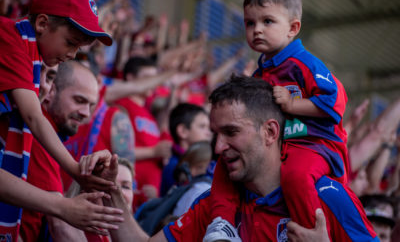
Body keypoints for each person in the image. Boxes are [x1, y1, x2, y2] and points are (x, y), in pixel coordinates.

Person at [98, 75, 377, 242]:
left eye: (231, 132)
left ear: (270, 132)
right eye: (215, 134)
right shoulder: (216, 207)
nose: (218, 147)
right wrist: (112, 192)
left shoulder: (328, 198)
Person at [207, 0, 349, 238]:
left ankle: (306, 233)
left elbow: (336, 103)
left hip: (316, 144)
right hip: (282, 145)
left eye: (267, 22)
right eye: (250, 23)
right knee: (222, 165)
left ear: (293, 28)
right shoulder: (261, 72)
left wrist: (293, 104)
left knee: (295, 176)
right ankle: (221, 226)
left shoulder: (305, 64)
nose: (256, 30)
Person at [0, 0, 113, 240]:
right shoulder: (9, 36)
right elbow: (33, 117)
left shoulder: (27, 52)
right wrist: (75, 170)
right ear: (42, 23)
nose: (72, 54)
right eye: (71, 42)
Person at [19, 60, 103, 242]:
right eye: (79, 100)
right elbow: (61, 227)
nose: (86, 113)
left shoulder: (51, 134)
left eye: (91, 105)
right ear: (50, 91)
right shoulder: (38, 133)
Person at [114, 56, 173, 209]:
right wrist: (153, 151)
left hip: (146, 200)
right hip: (128, 193)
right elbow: (117, 151)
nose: (153, 83)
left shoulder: (148, 113)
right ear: (130, 78)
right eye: (148, 78)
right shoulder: (121, 106)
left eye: (155, 78)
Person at [160, 103, 212, 196]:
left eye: (209, 128)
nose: (208, 133)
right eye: (202, 126)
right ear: (183, 131)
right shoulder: (173, 166)